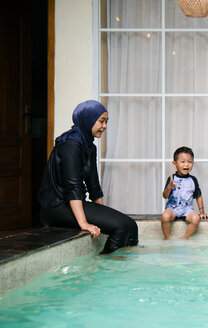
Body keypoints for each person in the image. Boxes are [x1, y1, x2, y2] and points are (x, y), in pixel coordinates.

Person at [38, 100, 138, 254]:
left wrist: (103, 213)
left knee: (131, 226)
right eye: (101, 121)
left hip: (72, 204)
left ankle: (124, 268)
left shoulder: (89, 146)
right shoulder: (70, 144)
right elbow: (72, 186)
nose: (104, 126)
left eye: (106, 122)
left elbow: (93, 186)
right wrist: (83, 223)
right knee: (122, 226)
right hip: (55, 207)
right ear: (88, 120)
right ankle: (106, 265)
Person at [161, 146, 208, 240]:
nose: (186, 165)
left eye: (189, 161)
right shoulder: (172, 178)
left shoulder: (193, 180)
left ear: (193, 163)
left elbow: (198, 196)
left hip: (186, 209)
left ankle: (185, 237)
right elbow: (164, 196)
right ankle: (167, 237)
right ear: (174, 164)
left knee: (196, 219)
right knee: (165, 216)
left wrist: (202, 212)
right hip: (173, 208)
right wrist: (169, 187)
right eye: (183, 162)